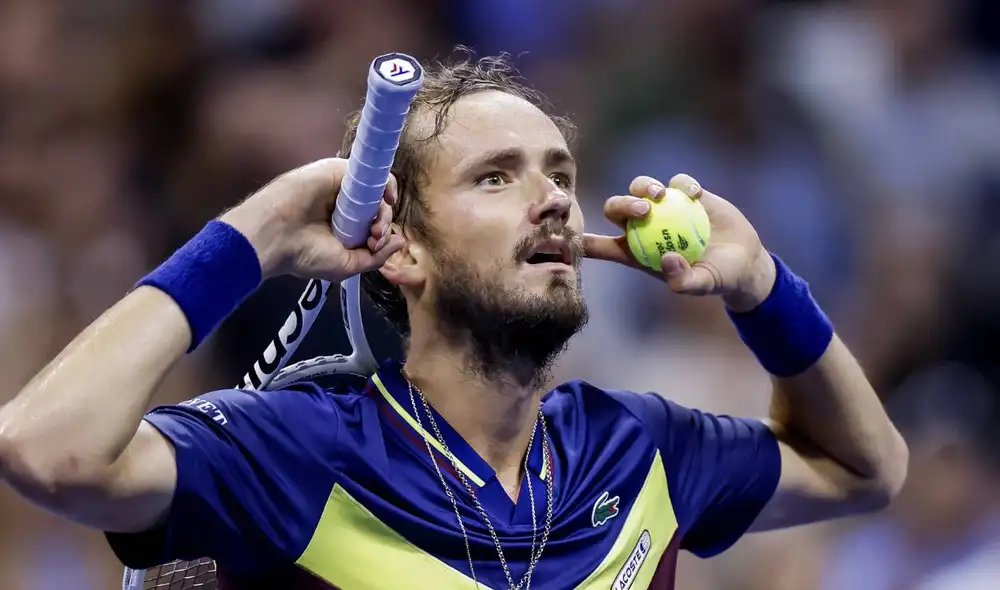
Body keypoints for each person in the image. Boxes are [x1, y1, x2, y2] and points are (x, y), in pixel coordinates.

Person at [0, 53, 907, 589]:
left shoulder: (638, 449)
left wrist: (762, 288)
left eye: (558, 172)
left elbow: (868, 469)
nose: (553, 201)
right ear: (402, 250)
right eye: (497, 177)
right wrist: (256, 233)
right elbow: (48, 451)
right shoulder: (295, 449)